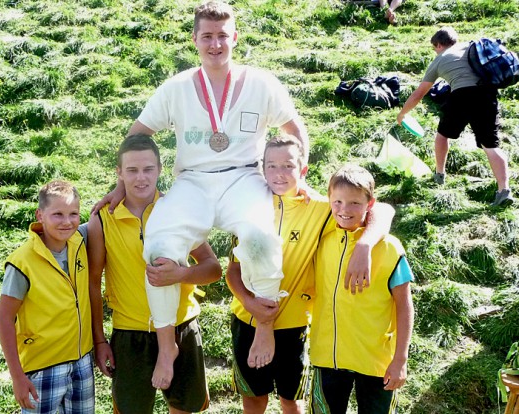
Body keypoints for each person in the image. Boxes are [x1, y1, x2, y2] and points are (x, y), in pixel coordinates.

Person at [98, 1, 309, 390]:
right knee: (158, 248)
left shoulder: (262, 82)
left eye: (223, 36)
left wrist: (300, 175)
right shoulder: (176, 87)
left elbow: (294, 126)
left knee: (262, 241)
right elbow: (138, 133)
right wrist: (120, 185)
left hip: (244, 179)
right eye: (207, 37)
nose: (216, 45)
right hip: (192, 182)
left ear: (235, 37)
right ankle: (167, 346)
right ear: (194, 38)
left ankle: (265, 323)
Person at [226, 136, 395, 414]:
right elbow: (232, 270)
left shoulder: (322, 208)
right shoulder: (247, 208)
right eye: (272, 166)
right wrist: (248, 302)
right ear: (262, 168)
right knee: (254, 399)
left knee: (292, 400)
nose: (279, 174)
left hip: (294, 325)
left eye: (288, 166)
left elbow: (383, 210)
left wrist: (364, 245)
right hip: (248, 319)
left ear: (303, 169)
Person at [87, 134, 221, 413]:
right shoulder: (102, 219)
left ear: (160, 169)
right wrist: (99, 340)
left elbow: (213, 268)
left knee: (184, 409)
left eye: (148, 169)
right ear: (119, 173)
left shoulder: (177, 212)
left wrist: (181, 275)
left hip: (181, 326)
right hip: (129, 333)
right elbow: (92, 283)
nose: (141, 178)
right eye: (132, 170)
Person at [309, 165, 414, 414]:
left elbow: (405, 306)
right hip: (328, 357)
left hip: (376, 361)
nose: (345, 210)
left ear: (370, 203)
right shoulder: (321, 240)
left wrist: (401, 359)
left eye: (355, 203)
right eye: (338, 202)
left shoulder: (390, 248)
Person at [0, 180, 94, 414]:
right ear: (40, 214)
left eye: (73, 214)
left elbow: (103, 218)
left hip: (82, 363)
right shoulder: (22, 262)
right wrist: (17, 377)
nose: (67, 221)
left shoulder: (80, 240)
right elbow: (4, 320)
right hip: (42, 368)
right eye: (57, 214)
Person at [397, 26, 513, 207]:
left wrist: (403, 113)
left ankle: (439, 174)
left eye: (434, 48)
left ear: (438, 45)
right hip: (487, 95)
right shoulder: (472, 46)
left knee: (442, 135)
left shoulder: (439, 59)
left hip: (462, 96)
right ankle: (504, 190)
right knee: (491, 145)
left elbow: (418, 94)